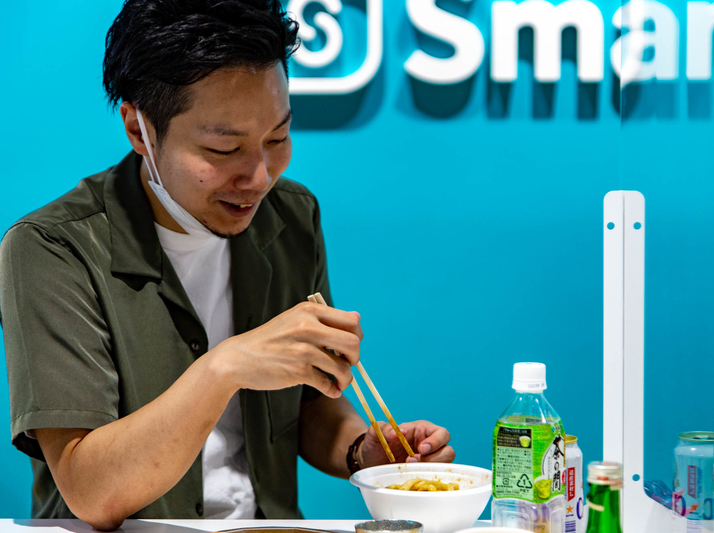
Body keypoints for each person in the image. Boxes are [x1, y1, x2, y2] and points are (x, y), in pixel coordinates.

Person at [0, 1, 455, 530]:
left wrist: (362, 451)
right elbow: (90, 490)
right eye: (223, 148)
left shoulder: (291, 215)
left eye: (277, 138)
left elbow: (307, 404)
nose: (259, 177)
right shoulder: (53, 247)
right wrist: (225, 367)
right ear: (138, 128)